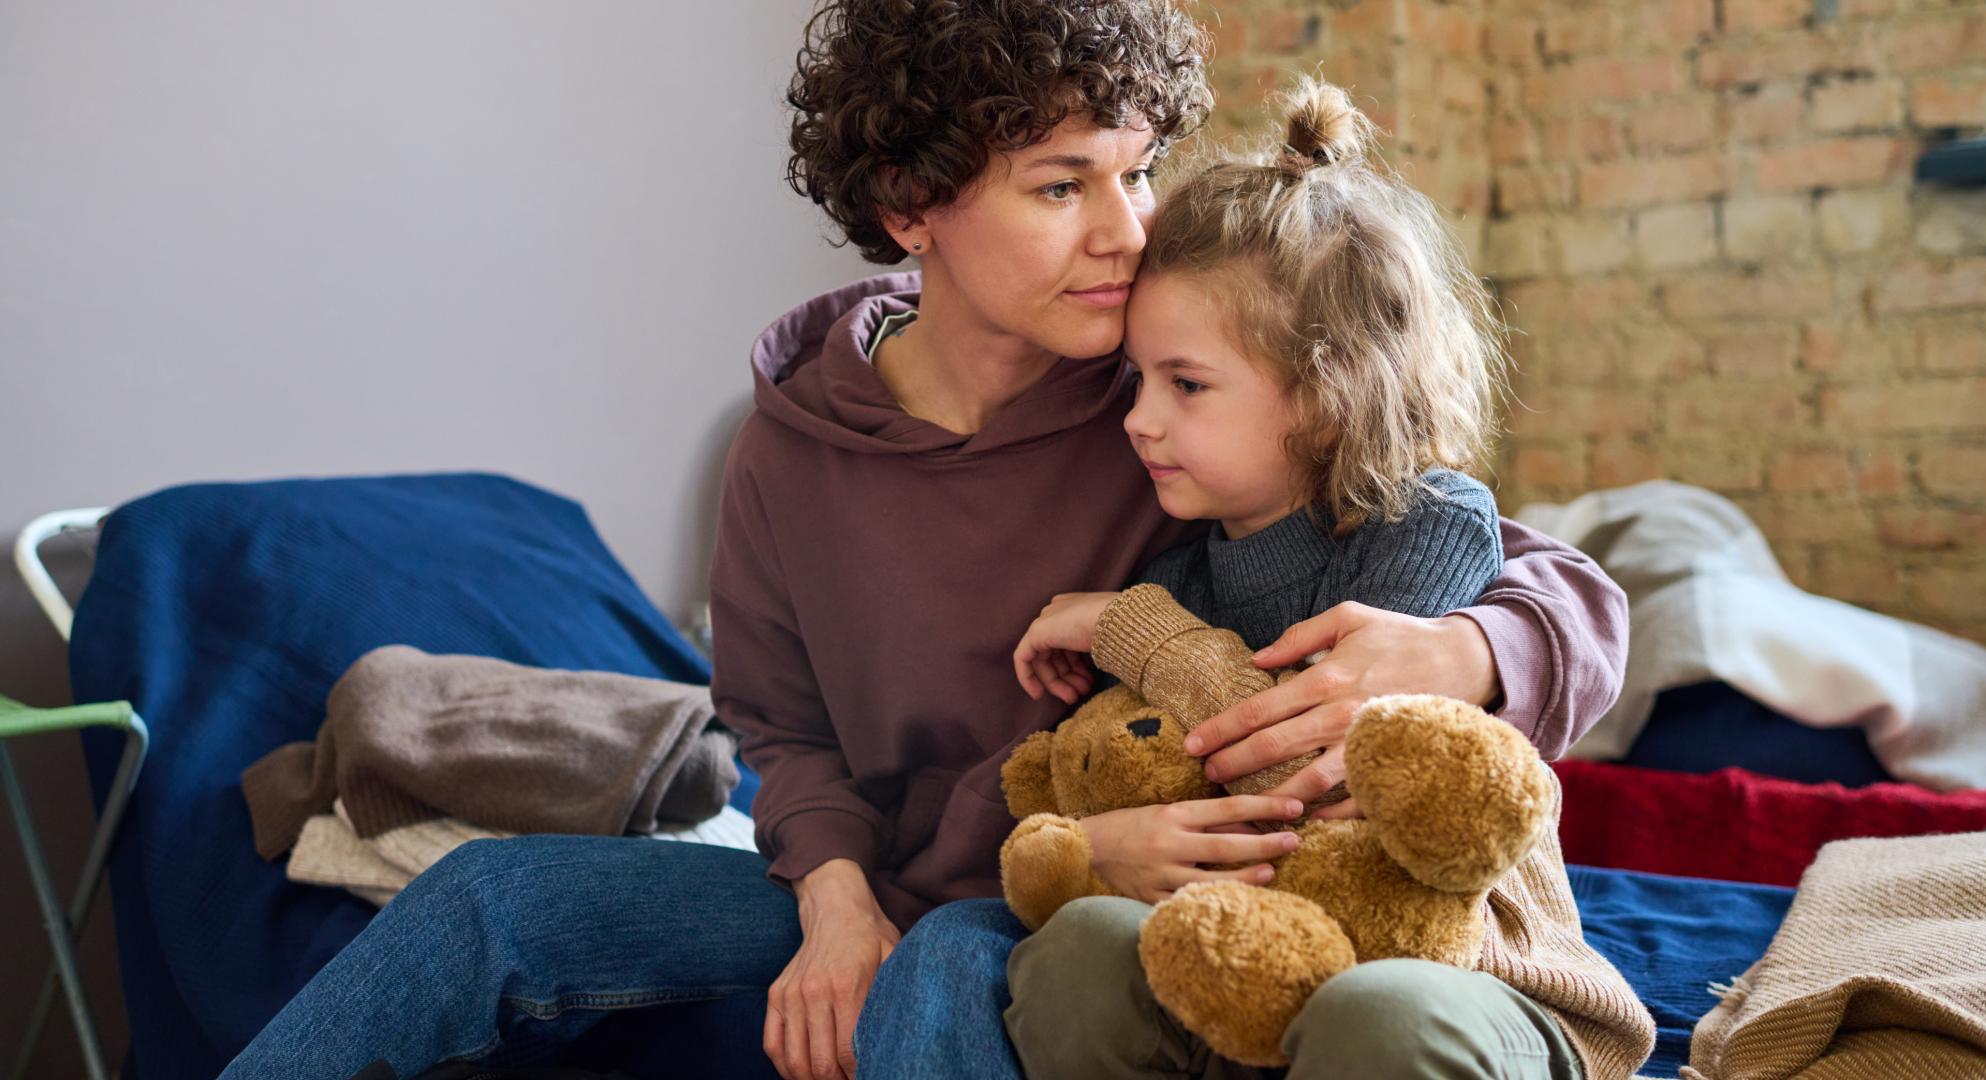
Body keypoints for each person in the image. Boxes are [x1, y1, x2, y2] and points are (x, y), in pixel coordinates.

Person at [218, 4, 1628, 1079]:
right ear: (912, 210)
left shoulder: (1174, 399)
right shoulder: (789, 450)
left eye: (1136, 175)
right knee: (490, 895)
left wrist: (1458, 651)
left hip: (1044, 890)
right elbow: (779, 727)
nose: (1129, 233)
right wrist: (833, 902)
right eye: (1062, 185)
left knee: (946, 971)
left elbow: (1519, 566)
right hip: (897, 878)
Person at [992, 79, 1652, 1080]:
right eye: (1137, 381)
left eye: (1186, 384)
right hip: (1247, 967)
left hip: (1463, 974)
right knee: (1073, 952)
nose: (1139, 419)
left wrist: (1134, 631)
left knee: (1372, 1014)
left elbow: (1312, 775)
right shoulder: (1181, 571)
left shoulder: (1422, 524)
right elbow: (1161, 766)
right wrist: (1093, 840)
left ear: (1325, 398)